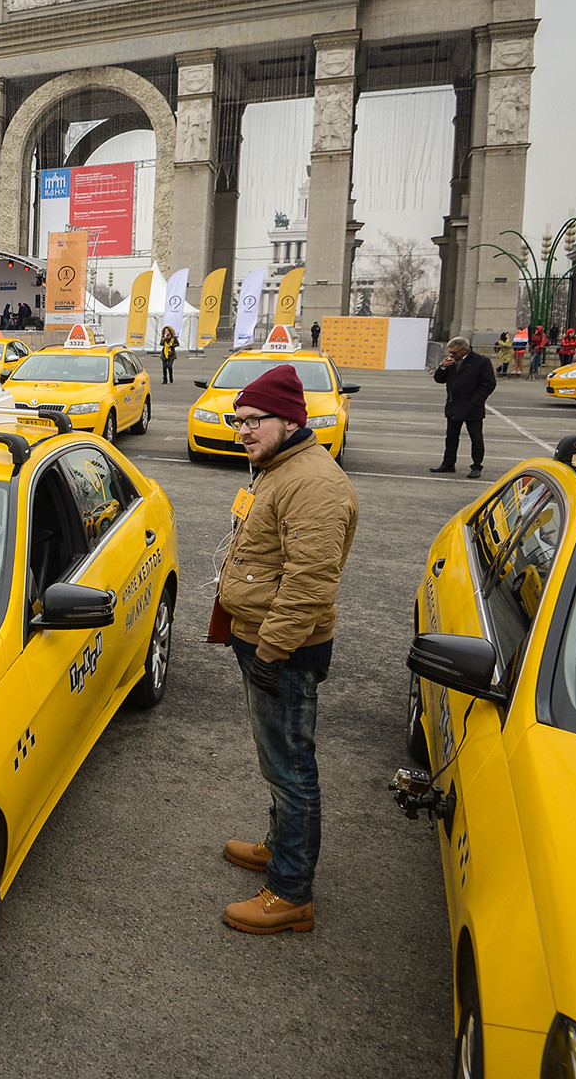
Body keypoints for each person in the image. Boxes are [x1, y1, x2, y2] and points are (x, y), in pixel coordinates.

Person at [215, 364, 358, 935]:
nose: (243, 430)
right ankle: (278, 847)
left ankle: (291, 892)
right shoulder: (278, 467)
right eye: (238, 420)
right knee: (278, 763)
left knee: (293, 769)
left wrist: (270, 654)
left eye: (255, 421)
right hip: (263, 642)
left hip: (285, 652)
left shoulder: (313, 484)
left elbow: (309, 583)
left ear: (290, 420)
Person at [432, 335, 496, 478]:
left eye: (454, 353)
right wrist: (442, 367)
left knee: (476, 438)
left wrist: (475, 402)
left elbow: (489, 384)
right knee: (451, 437)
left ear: (464, 350)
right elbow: (439, 379)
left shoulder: (481, 362)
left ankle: (476, 466)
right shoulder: (452, 362)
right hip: (454, 405)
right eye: (450, 353)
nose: (451, 355)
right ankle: (448, 463)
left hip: (472, 407)